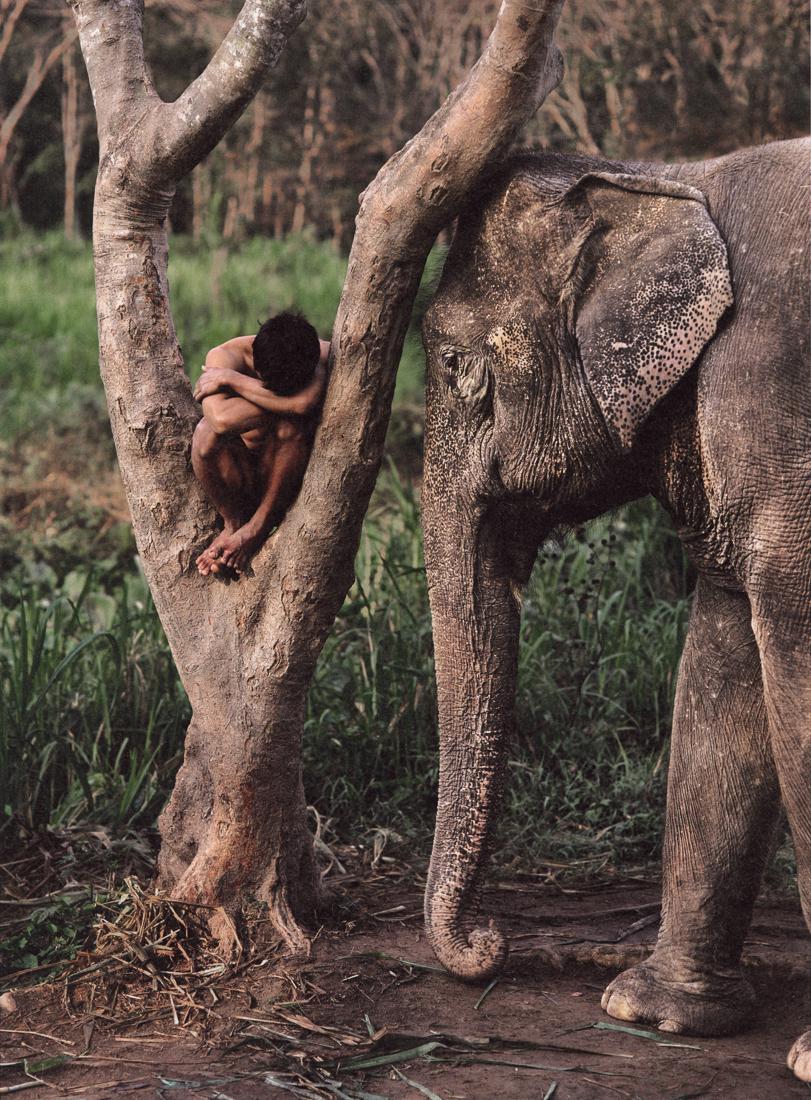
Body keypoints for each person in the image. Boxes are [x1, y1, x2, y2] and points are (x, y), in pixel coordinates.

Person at [191, 312, 329, 576]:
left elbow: (304, 404)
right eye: (273, 387)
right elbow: (220, 421)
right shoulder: (224, 357)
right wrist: (287, 404)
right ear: (257, 363)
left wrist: (233, 381)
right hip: (237, 477)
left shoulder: (318, 353)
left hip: (283, 481)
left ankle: (256, 529)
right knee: (205, 432)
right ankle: (234, 525)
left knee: (291, 426)